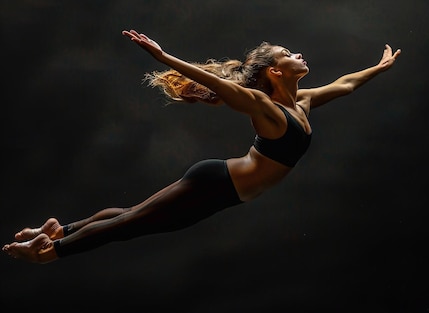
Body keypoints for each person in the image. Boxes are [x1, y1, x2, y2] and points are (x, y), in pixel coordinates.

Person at [2, 29, 401, 264]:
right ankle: (48, 250)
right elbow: (220, 86)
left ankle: (59, 229)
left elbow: (344, 84)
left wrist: (379, 69)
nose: (298, 54)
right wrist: (164, 56)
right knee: (130, 224)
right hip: (215, 183)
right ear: (276, 71)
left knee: (133, 217)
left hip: (225, 193)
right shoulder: (264, 107)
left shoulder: (301, 103)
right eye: (288, 54)